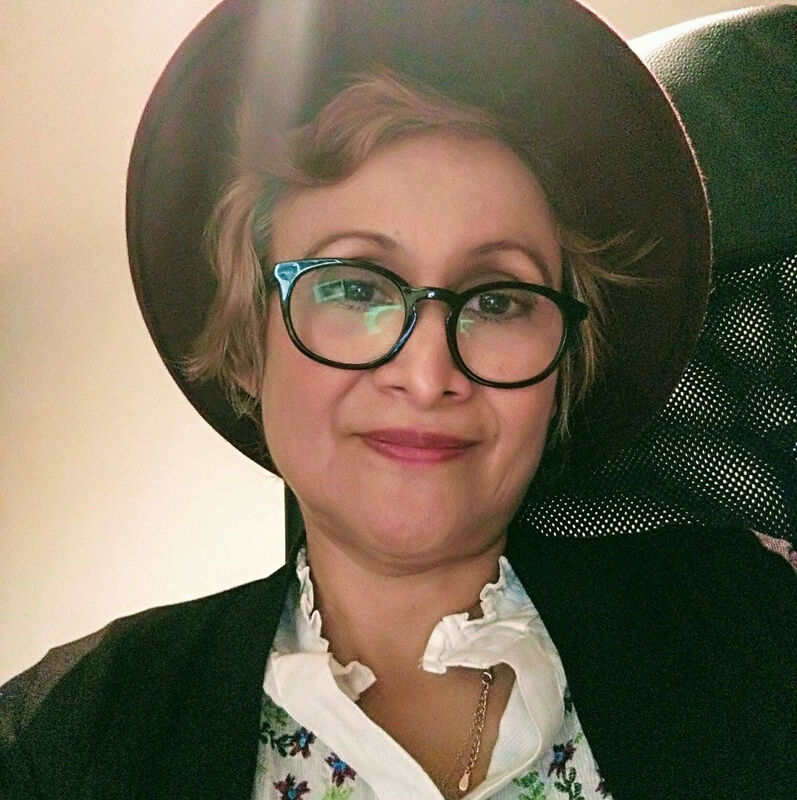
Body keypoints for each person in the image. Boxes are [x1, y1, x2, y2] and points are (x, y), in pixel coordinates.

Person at [1, 2, 793, 799]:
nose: (424, 374)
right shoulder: (66, 740)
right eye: (354, 287)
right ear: (248, 346)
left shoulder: (752, 622)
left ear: (561, 371)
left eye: (496, 301)